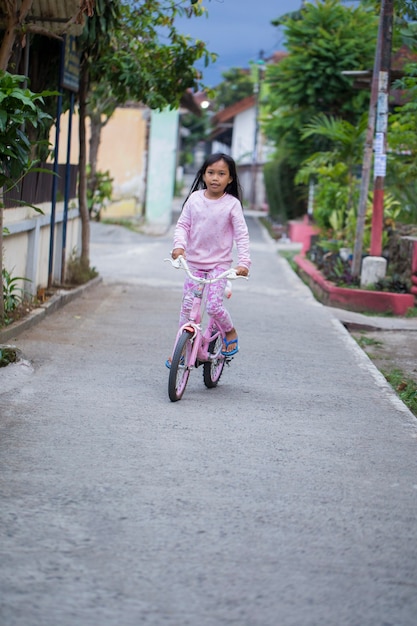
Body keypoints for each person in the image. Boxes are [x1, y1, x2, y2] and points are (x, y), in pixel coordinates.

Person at [168, 152, 251, 366]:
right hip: (194, 264)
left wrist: (243, 263)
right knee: (187, 308)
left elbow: (241, 235)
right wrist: (179, 246)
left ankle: (230, 332)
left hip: (219, 266)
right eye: (211, 172)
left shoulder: (232, 204)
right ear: (203, 175)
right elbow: (183, 225)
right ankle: (181, 351)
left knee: (213, 306)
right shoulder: (195, 199)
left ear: (230, 178)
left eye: (221, 174)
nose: (215, 178)